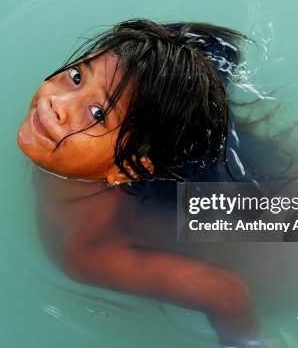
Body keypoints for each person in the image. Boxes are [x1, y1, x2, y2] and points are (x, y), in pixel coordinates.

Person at [17, 19, 268, 347]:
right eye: (77, 77)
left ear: (127, 169)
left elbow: (226, 295)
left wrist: (248, 342)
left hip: (263, 227)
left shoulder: (87, 252)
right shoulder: (60, 146)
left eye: (96, 114)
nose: (58, 104)